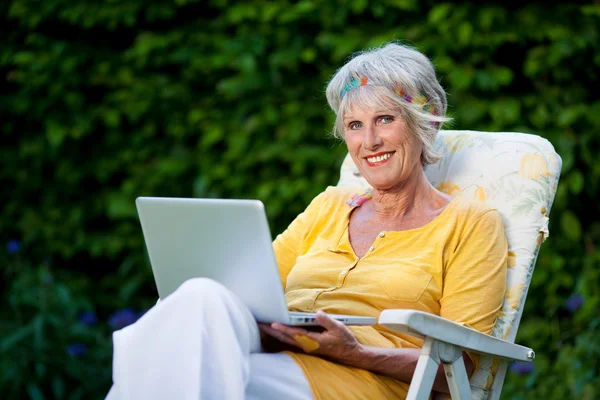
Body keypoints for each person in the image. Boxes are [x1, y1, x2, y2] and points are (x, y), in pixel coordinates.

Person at [105, 42, 507, 400]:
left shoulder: (471, 223)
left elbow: (461, 365)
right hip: (280, 351)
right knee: (200, 297)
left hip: (363, 379)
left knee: (174, 376)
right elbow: (250, 288)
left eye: (385, 119)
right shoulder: (329, 205)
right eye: (354, 126)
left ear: (425, 121)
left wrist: (352, 351)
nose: (369, 142)